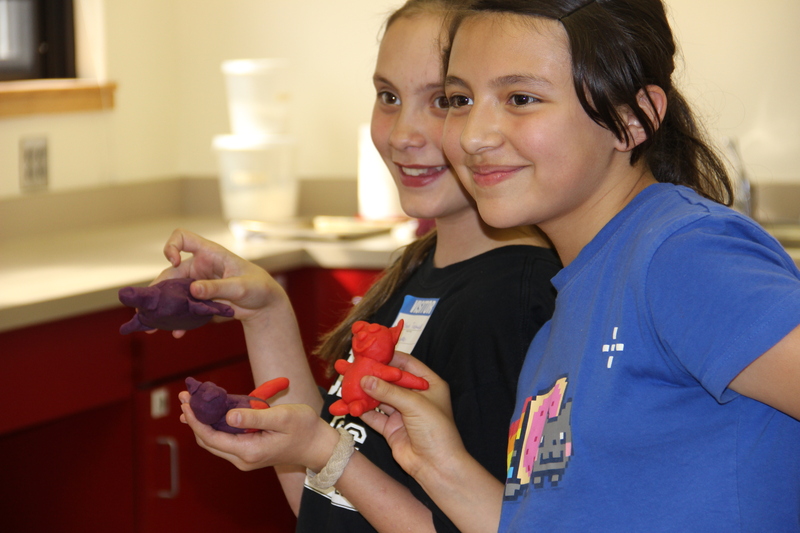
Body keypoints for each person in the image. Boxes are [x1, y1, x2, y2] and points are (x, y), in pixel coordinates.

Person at [358, 1, 800, 531]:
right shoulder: (562, 316)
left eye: (520, 98)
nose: (473, 135)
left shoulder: (680, 255)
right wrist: (437, 462)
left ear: (633, 119)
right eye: (460, 99)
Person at [163, 1, 561, 531]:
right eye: (388, 97)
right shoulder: (421, 270)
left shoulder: (512, 302)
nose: (401, 134)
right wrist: (265, 311)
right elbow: (320, 504)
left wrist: (325, 451)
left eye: (444, 100)